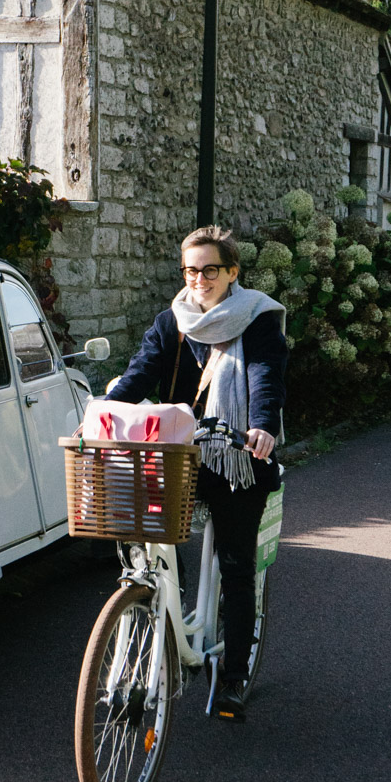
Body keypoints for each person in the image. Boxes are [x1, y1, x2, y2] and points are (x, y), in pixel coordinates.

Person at [109, 223, 286, 723]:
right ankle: (161, 603)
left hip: (236, 454)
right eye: (191, 270)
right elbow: (140, 372)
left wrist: (262, 427)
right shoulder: (174, 321)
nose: (199, 279)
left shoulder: (256, 318)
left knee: (235, 562)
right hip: (180, 454)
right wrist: (102, 409)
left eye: (210, 269)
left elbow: (264, 375)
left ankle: (232, 676)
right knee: (146, 542)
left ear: (232, 272)